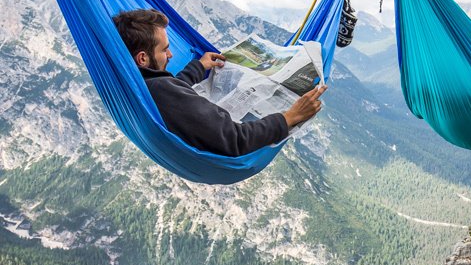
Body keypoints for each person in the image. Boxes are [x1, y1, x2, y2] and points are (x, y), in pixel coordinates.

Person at [112, 9, 325, 156]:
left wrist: (199, 66)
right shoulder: (161, 91)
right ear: (142, 58)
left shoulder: (135, 83)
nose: (170, 54)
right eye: (164, 49)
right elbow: (236, 139)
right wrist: (289, 117)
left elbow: (171, 92)